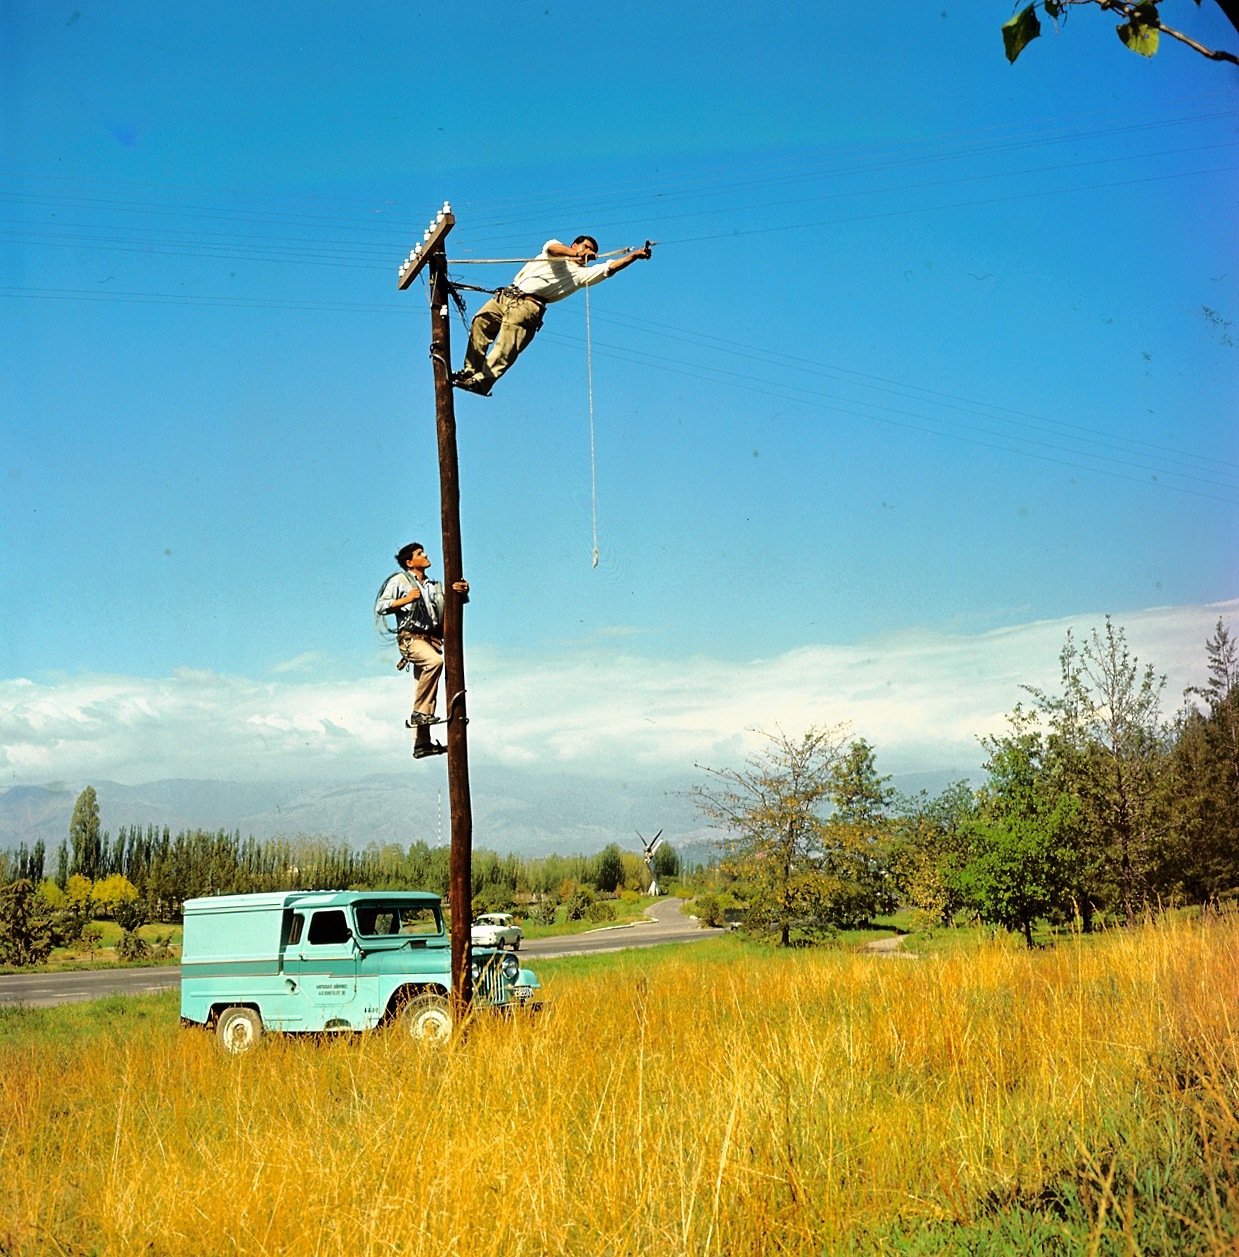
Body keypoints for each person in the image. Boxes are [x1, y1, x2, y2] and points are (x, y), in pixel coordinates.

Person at [452, 236, 653, 395]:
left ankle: (479, 383)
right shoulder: (554, 251)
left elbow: (610, 267)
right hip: (507, 295)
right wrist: (573, 255)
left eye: (593, 251)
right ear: (575, 245)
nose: (590, 252)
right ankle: (470, 372)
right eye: (586, 247)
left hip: (528, 306)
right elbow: (553, 248)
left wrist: (633, 256)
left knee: (505, 347)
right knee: (480, 321)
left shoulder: (580, 275)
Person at [374, 543, 469, 759]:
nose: (425, 555)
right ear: (410, 562)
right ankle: (420, 714)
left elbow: (450, 604)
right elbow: (381, 606)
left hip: (430, 640)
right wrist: (406, 599)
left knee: (423, 688)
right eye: (419, 554)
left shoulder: (434, 586)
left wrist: (461, 592)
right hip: (410, 638)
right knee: (434, 663)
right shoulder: (400, 581)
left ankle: (421, 744)